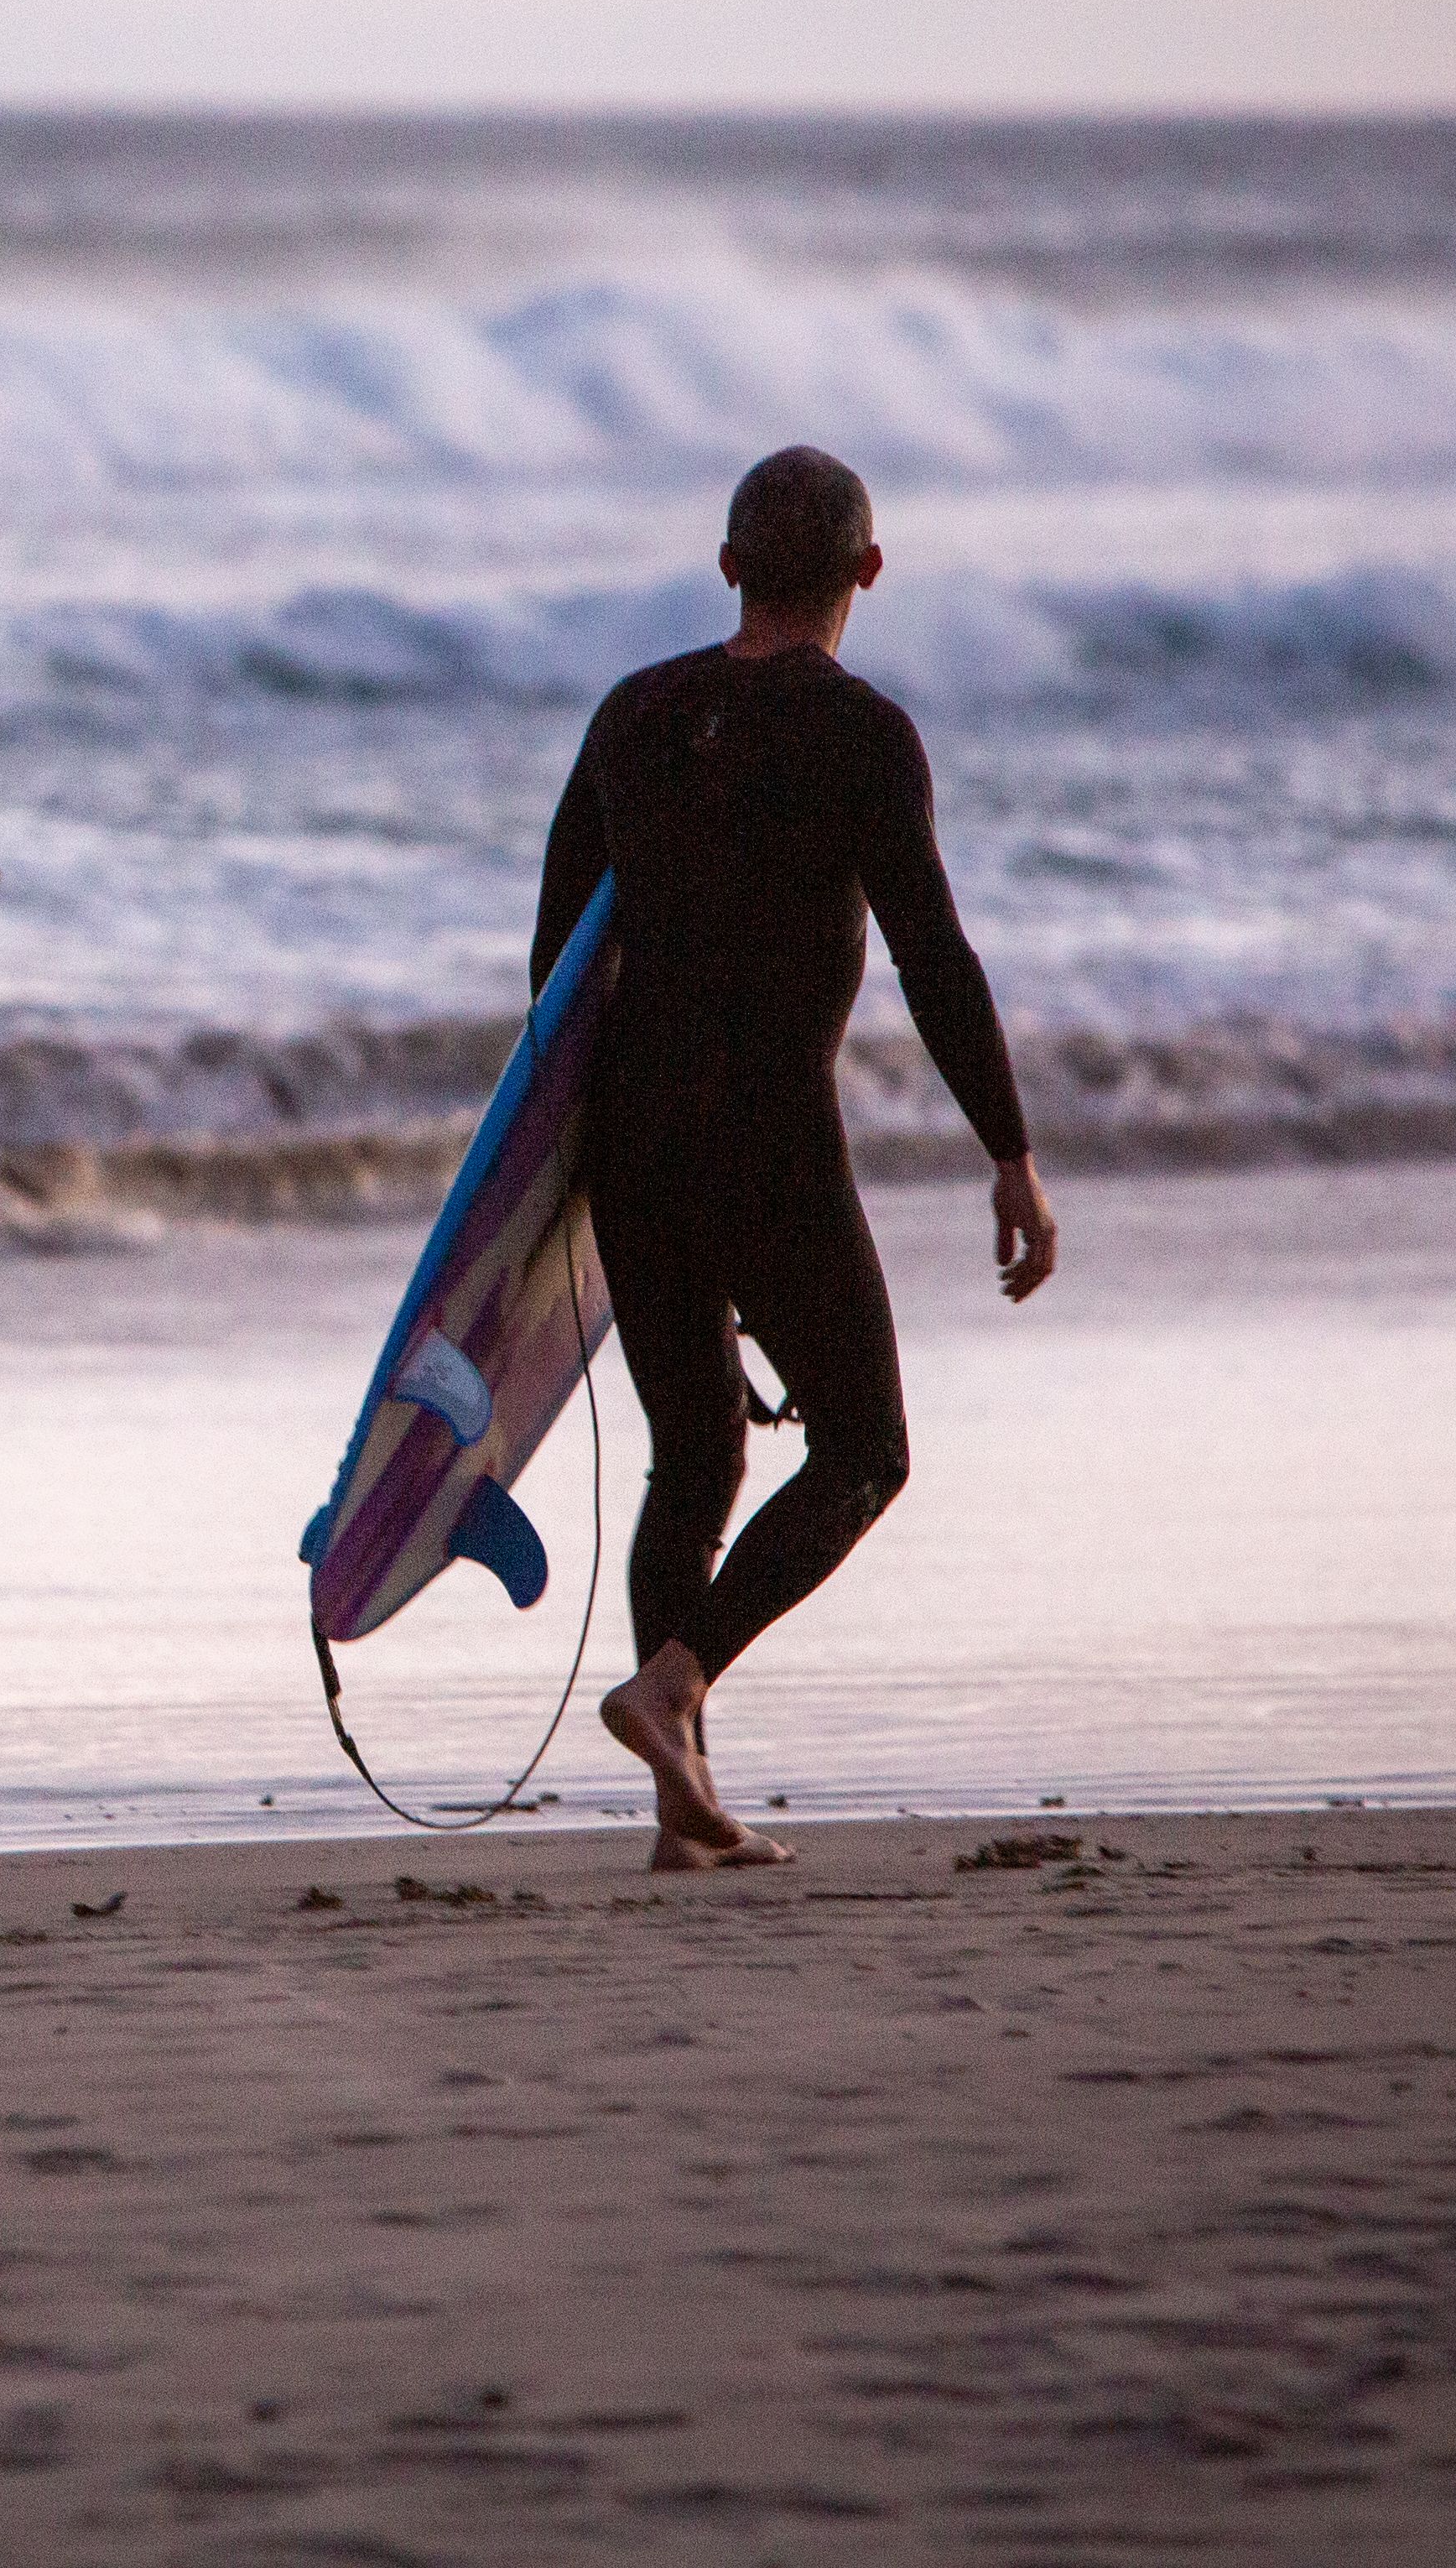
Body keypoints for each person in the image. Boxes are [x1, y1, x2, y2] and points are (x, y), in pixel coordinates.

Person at [531, 447, 1056, 1873]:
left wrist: (556, 1172)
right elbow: (932, 953)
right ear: (866, 574)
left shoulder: (633, 717)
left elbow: (557, 969)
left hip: (635, 1139)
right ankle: (675, 1687)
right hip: (771, 1143)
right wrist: (1008, 1151)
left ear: (727, 569)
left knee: (692, 1460)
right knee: (864, 1450)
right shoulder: (862, 735)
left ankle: (680, 1815)